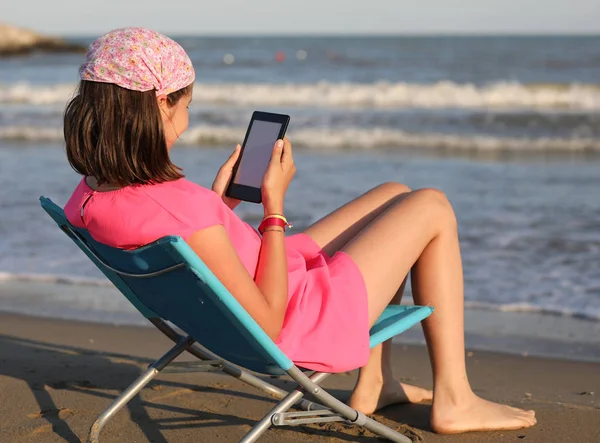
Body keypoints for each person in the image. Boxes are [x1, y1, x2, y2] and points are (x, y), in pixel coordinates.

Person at [63, 27, 536, 434]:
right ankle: (454, 397)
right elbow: (268, 322)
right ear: (161, 103)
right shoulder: (184, 206)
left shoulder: (89, 198)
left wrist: (219, 204)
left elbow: (184, 232)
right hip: (300, 317)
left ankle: (377, 382)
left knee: (395, 193)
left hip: (269, 278)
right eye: (186, 106)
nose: (186, 125)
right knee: (432, 206)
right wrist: (273, 206)